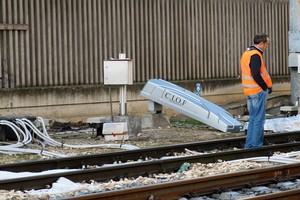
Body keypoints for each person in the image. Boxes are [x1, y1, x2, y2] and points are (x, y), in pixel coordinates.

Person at [240, 33, 273, 149]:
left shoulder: (247, 53)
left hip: (249, 91)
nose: (267, 46)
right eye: (266, 44)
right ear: (261, 43)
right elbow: (255, 74)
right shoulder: (255, 55)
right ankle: (256, 146)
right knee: (258, 119)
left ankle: (249, 145)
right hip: (257, 91)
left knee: (253, 119)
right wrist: (265, 87)